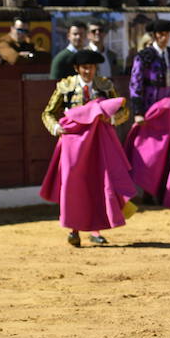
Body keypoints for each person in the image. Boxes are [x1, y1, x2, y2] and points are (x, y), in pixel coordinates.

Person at [40, 48, 134, 247]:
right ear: (76, 68)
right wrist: (56, 128)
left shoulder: (105, 86)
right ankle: (73, 229)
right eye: (84, 68)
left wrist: (112, 118)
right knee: (73, 184)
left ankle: (95, 230)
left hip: (97, 143)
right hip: (73, 144)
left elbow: (123, 110)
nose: (88, 72)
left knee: (98, 182)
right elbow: (47, 113)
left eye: (91, 67)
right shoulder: (65, 86)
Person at [128, 19, 170, 120]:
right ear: (154, 35)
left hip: (169, 104)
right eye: (161, 34)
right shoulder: (144, 56)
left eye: (167, 34)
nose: (165, 37)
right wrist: (138, 111)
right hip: (150, 104)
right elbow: (136, 83)